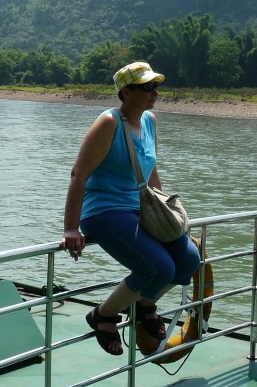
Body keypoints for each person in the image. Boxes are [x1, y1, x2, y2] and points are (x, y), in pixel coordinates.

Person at [61, 61, 201, 355]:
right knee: (158, 267)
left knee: (188, 259)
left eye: (156, 86)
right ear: (126, 92)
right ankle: (103, 315)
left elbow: (149, 170)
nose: (155, 92)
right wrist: (71, 228)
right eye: (148, 87)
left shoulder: (149, 120)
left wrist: (165, 212)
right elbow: (79, 174)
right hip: (105, 211)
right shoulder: (108, 123)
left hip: (140, 209)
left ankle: (144, 305)